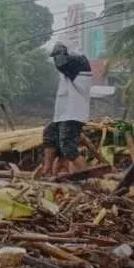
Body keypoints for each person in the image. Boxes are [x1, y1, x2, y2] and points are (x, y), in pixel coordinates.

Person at [38, 43, 93, 177]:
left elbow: (61, 63)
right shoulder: (71, 68)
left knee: (68, 148)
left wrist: (60, 50)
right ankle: (48, 170)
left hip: (73, 114)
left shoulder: (79, 63)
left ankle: (88, 177)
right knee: (49, 134)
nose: (57, 59)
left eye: (58, 55)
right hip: (63, 114)